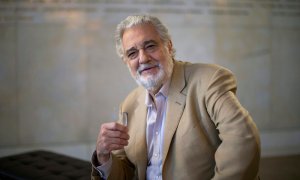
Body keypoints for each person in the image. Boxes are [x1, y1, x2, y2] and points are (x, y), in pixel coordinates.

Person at [91, 14, 260, 180]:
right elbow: (126, 173)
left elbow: (242, 140)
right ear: (126, 62)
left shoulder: (210, 81)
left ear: (169, 46)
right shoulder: (128, 104)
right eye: (132, 53)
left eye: (150, 46)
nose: (143, 58)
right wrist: (103, 156)